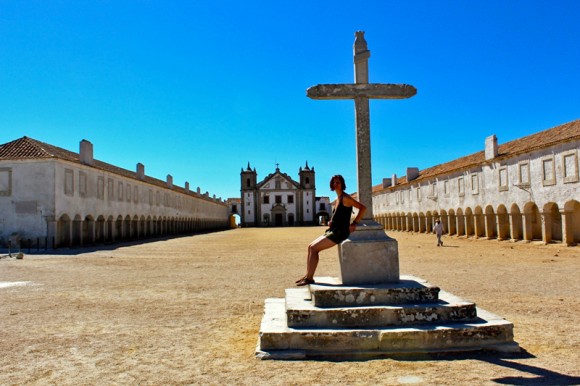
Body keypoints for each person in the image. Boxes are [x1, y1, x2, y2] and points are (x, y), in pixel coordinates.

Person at [295, 175, 366, 286]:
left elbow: (363, 208)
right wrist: (331, 221)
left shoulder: (345, 198)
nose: (335, 184)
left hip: (340, 232)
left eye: (338, 182)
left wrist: (355, 223)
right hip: (333, 229)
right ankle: (307, 275)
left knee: (314, 248)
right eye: (333, 182)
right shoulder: (338, 199)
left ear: (342, 184)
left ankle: (309, 278)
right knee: (310, 246)